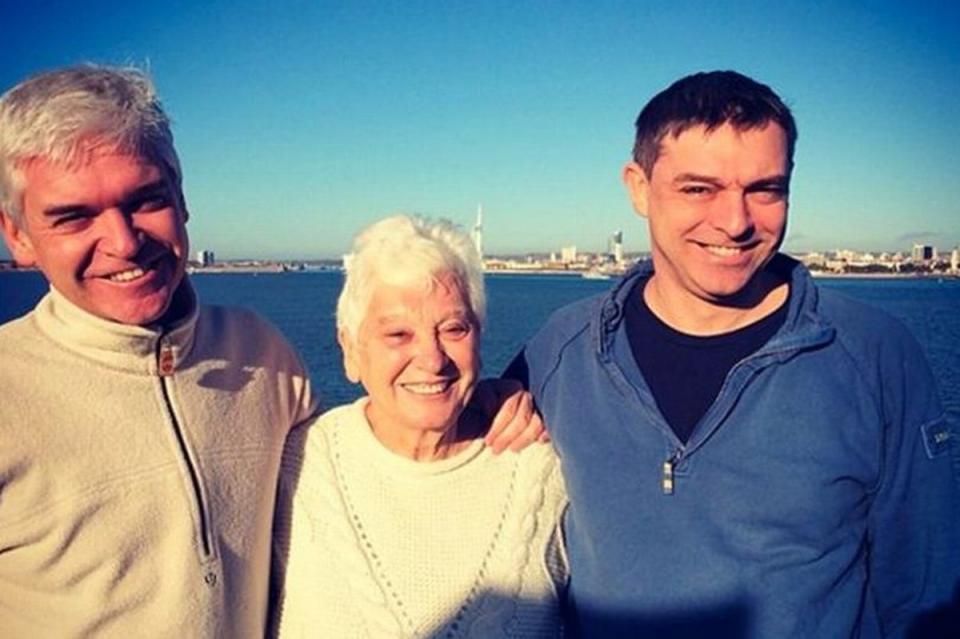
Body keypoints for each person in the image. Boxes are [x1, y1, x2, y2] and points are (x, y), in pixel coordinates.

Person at [0, 66, 541, 637]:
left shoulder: (264, 356)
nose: (123, 240)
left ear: (182, 201)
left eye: (145, 200)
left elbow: (374, 447)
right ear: (19, 236)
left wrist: (482, 399)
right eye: (73, 216)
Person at [508, 70, 960, 637]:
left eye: (764, 189)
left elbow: (924, 594)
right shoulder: (562, 349)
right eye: (699, 189)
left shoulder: (875, 355)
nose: (736, 222)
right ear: (638, 188)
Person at [272, 215, 568, 637]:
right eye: (398, 334)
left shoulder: (543, 470)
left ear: (479, 338)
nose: (432, 359)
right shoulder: (295, 465)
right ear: (350, 350)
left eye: (453, 329)